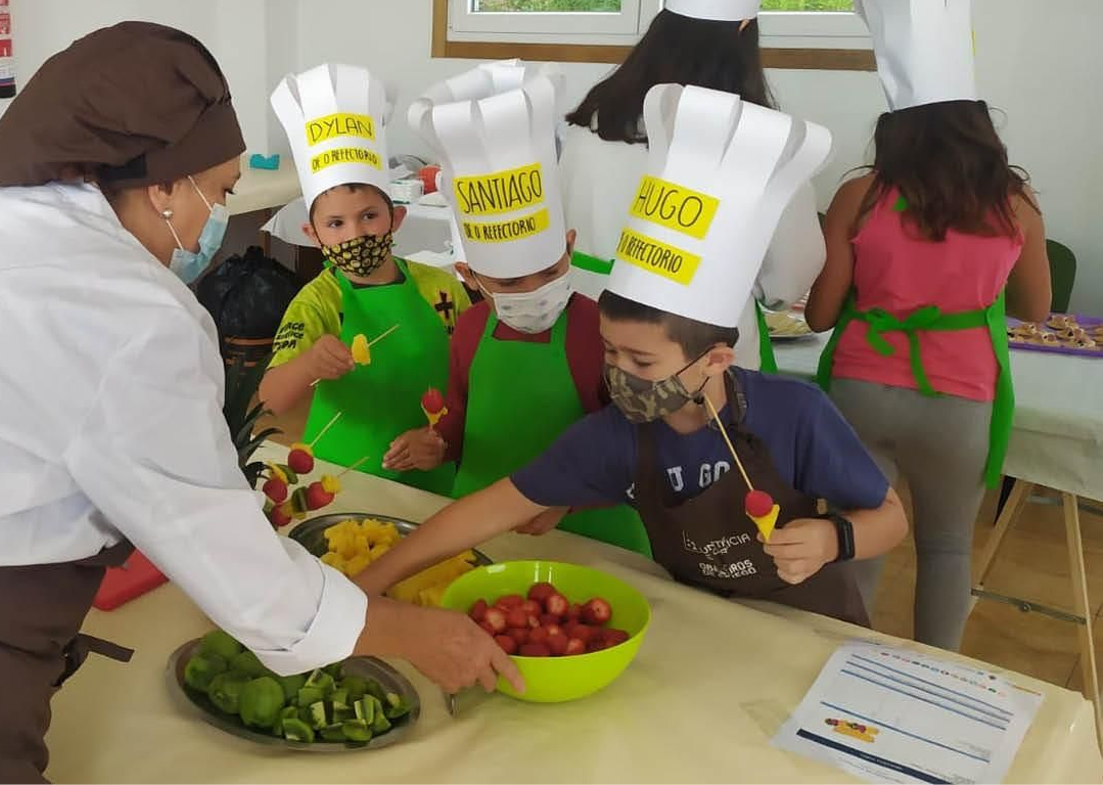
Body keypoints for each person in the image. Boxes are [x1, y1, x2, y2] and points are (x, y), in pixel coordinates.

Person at [0, 23, 516, 784]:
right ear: (161, 187)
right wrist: (417, 635)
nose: (220, 216)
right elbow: (258, 595)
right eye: (218, 192)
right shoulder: (137, 313)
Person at [357, 84, 907, 626]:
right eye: (612, 352)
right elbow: (491, 509)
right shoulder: (620, 433)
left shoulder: (795, 414)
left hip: (806, 624)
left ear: (716, 359)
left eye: (642, 364)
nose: (620, 374)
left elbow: (890, 518)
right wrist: (366, 587)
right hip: (700, 622)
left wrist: (833, 537)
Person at [807, 0, 1051, 650]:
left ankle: (833, 666)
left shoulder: (862, 194)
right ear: (977, 120)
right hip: (961, 396)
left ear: (896, 122)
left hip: (862, 386)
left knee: (860, 531)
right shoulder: (1016, 201)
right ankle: (930, 679)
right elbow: (1035, 307)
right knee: (946, 549)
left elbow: (821, 315)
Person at [558, 0, 824, 371]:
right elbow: (787, 281)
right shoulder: (762, 142)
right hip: (700, 356)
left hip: (587, 334)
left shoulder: (592, 120)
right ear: (744, 34)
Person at [404, 66, 649, 555]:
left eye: (551, 270)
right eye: (510, 282)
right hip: (478, 527)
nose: (536, 290)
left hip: (589, 537)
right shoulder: (470, 329)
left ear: (570, 248)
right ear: (469, 276)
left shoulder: (599, 330)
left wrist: (570, 500)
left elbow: (636, 445)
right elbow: (458, 420)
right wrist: (434, 444)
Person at [260, 62, 468, 494]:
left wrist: (443, 441)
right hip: (339, 478)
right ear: (312, 236)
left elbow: (470, 384)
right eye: (335, 224)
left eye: (369, 217)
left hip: (431, 475)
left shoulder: (441, 289)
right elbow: (270, 400)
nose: (354, 234)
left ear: (396, 219)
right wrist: (308, 364)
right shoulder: (317, 302)